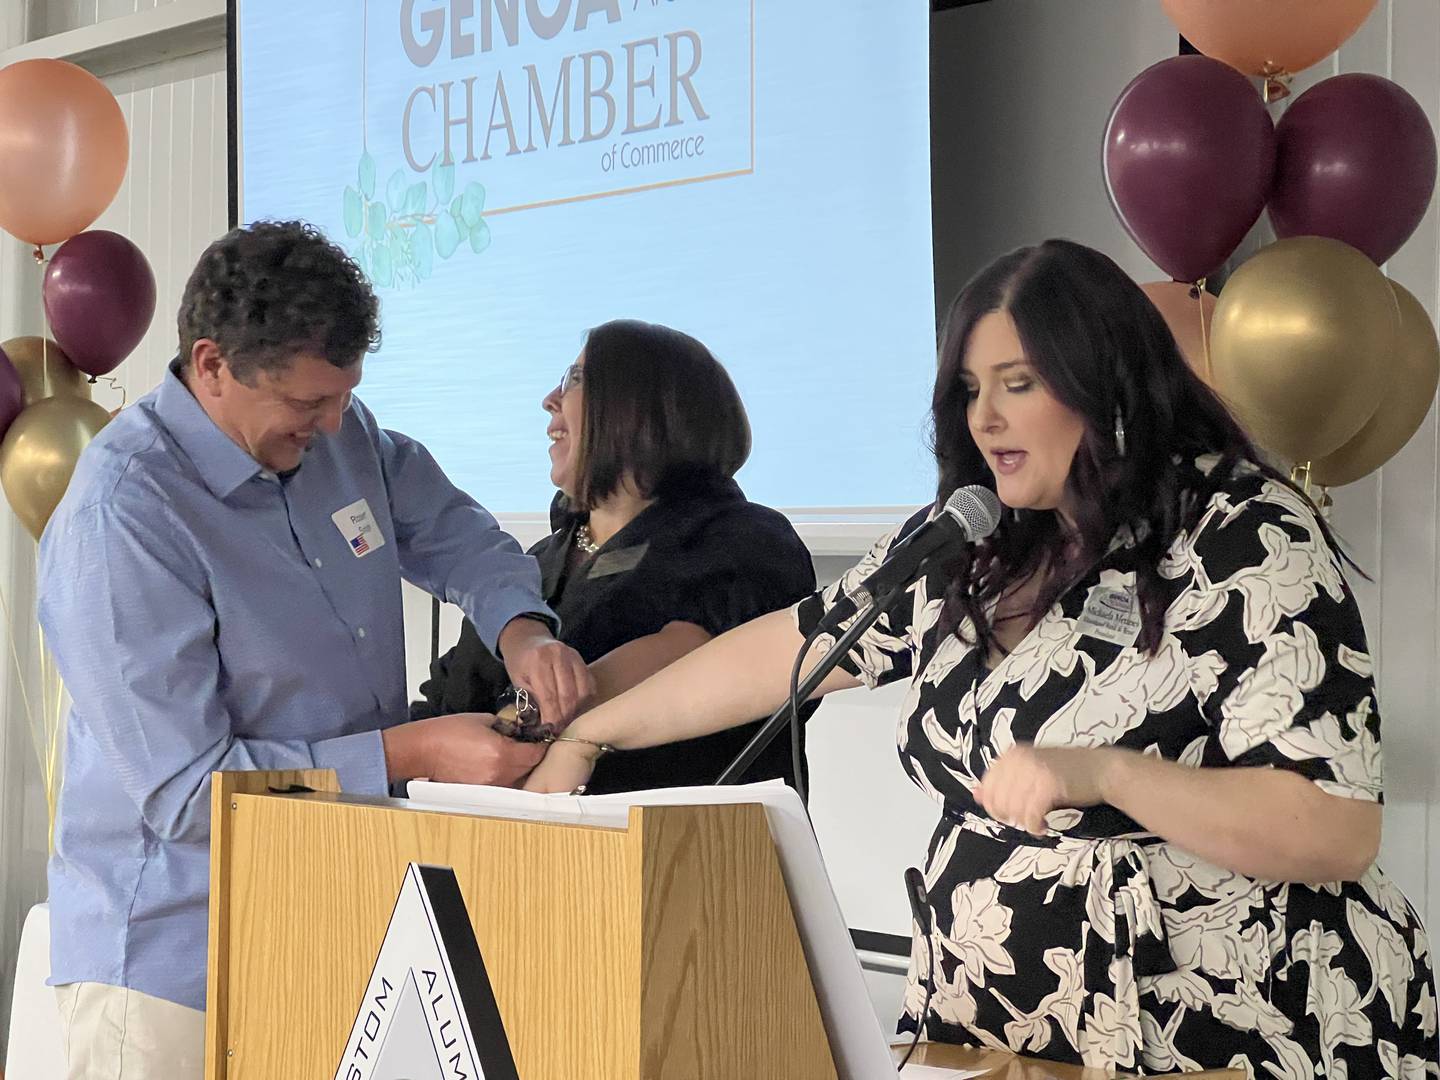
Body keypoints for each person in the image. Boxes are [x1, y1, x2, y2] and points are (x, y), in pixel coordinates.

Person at [524, 240, 1439, 1075]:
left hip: (1232, 1034)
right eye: (969, 389)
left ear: (1106, 381)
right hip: (997, 1032)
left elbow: (1332, 828)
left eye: (1019, 384)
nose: (986, 419)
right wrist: (592, 735)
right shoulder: (973, 538)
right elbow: (783, 651)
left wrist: (1107, 774)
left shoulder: (1245, 536)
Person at [38, 220, 592, 1080]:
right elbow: (188, 794)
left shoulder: (344, 431)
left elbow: (457, 534)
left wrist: (519, 626)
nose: (334, 426)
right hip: (176, 965)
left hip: (330, 918)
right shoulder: (123, 518)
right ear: (213, 364)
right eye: (306, 406)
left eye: (345, 397)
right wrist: (412, 752)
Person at [411, 318, 815, 793]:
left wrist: (513, 727)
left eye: (576, 379)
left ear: (643, 410)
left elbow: (689, 655)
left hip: (682, 849)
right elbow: (447, 702)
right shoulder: (530, 568)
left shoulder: (744, 538)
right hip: (506, 849)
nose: (549, 398)